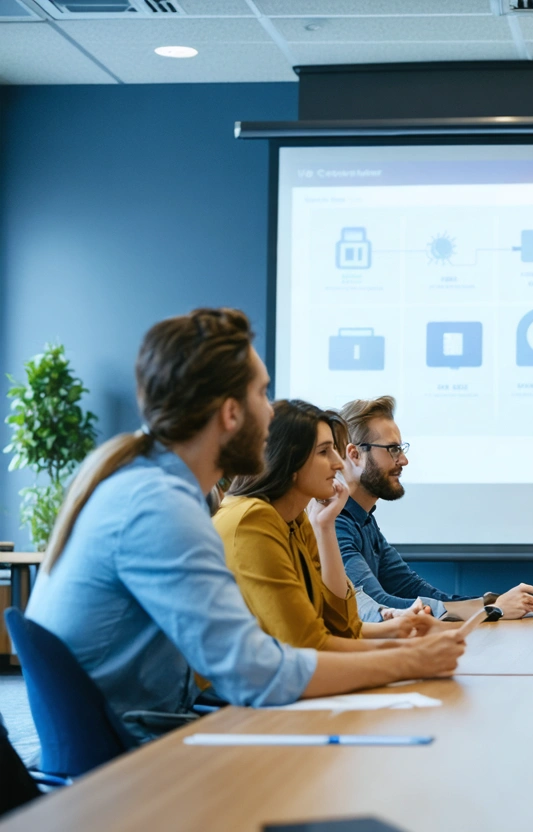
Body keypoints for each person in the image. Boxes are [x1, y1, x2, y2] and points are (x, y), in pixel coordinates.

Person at [24, 309, 465, 735]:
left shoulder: (158, 487)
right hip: (134, 755)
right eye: (262, 394)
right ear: (231, 414)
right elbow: (256, 671)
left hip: (150, 727)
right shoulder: (159, 506)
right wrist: (409, 659)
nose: (272, 414)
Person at [214, 400, 448, 650]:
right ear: (290, 460)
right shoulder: (253, 519)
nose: (338, 464)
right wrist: (411, 655)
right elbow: (305, 646)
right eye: (325, 452)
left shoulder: (300, 520)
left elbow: (341, 624)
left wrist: (324, 529)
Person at [337, 396, 533, 621]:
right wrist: (490, 610)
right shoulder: (335, 524)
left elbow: (416, 590)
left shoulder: (364, 521)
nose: (404, 460)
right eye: (393, 449)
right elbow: (377, 606)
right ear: (355, 454)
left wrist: (489, 604)